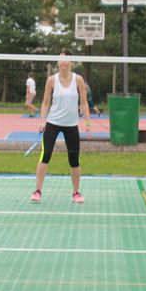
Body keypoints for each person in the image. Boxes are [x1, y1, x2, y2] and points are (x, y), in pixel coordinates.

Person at [31, 51, 91, 203]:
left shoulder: (78, 80)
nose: (63, 61)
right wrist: (43, 121)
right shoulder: (51, 80)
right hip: (53, 123)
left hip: (72, 125)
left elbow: (84, 102)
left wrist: (88, 122)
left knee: (74, 159)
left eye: (66, 59)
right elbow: (45, 103)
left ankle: (76, 193)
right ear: (58, 62)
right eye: (61, 59)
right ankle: (37, 191)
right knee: (45, 155)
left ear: (71, 63)